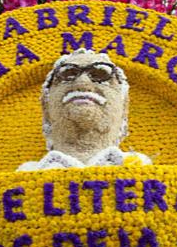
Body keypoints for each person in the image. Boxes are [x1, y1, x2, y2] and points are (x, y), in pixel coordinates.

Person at [18, 49, 151, 171]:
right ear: (45, 105)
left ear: (124, 106)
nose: (82, 82)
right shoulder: (24, 175)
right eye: (68, 73)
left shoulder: (144, 171)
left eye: (101, 73)